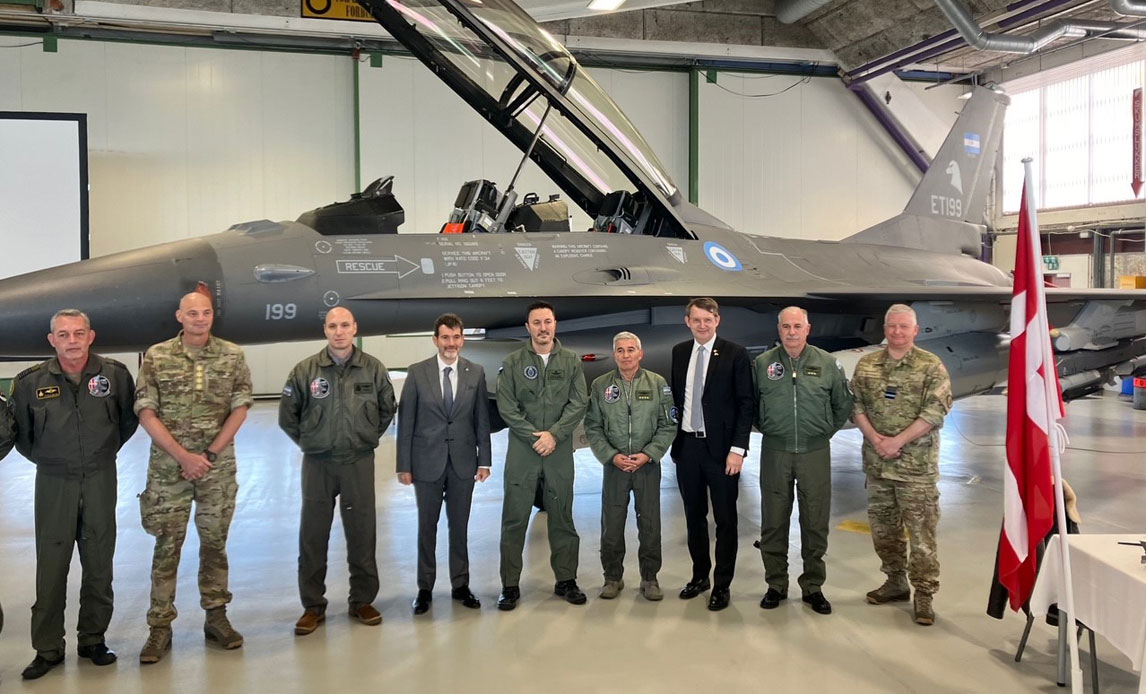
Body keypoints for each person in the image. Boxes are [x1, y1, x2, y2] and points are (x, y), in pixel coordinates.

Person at [9, 309, 137, 680]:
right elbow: (24, 437)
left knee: (99, 561)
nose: (72, 341)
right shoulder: (31, 382)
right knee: (51, 565)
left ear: (90, 336)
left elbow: (127, 422)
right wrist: (53, 459)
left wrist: (100, 453)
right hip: (53, 481)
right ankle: (47, 649)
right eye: (63, 335)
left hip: (100, 476)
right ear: (52, 340)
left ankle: (93, 640)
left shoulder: (114, 375)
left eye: (79, 333)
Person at [134, 290, 253, 662]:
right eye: (192, 313)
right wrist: (183, 455)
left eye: (205, 312)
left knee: (214, 543)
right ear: (179, 316)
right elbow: (146, 410)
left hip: (216, 469)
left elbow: (240, 407)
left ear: (212, 315)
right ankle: (159, 627)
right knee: (167, 546)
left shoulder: (232, 355)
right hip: (169, 469)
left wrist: (209, 454)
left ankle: (216, 617)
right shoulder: (157, 356)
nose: (199, 318)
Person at [279, 306, 396, 634]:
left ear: (355, 328)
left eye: (345, 325)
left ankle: (362, 600)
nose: (339, 331)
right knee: (313, 535)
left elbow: (387, 408)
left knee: (362, 531)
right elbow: (288, 415)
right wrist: (312, 441)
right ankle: (312, 606)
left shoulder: (372, 369)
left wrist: (366, 435)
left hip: (358, 461)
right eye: (333, 325)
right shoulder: (305, 370)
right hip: (318, 463)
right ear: (325, 330)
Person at [851, 304, 952, 626]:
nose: (897, 332)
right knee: (884, 531)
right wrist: (876, 439)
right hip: (878, 466)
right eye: (892, 326)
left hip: (915, 469)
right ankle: (895, 582)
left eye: (903, 327)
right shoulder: (867, 365)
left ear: (915, 330)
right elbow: (855, 405)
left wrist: (897, 441)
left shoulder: (930, 365)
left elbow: (936, 411)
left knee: (922, 535)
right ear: (885, 328)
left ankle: (924, 594)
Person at [753, 306, 852, 615]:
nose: (791, 332)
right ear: (779, 330)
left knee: (815, 521)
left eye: (797, 326)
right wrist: (772, 428)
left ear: (808, 329)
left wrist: (820, 433)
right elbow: (752, 407)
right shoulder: (761, 365)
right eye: (786, 326)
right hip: (776, 452)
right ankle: (776, 585)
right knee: (773, 521)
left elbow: (842, 405)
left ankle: (813, 587)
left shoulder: (827, 364)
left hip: (815, 453)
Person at [495, 301, 588, 610]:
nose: (543, 328)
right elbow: (506, 406)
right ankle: (509, 585)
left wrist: (555, 435)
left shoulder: (572, 361)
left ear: (555, 324)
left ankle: (566, 580)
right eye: (537, 323)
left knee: (562, 516)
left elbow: (578, 403)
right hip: (524, 450)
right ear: (528, 328)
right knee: (515, 518)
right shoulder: (512, 363)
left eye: (547, 322)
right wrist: (533, 436)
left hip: (558, 450)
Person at [396, 313, 491, 615]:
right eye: (445, 337)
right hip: (426, 464)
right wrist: (404, 465)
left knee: (459, 526)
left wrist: (484, 460)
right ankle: (425, 589)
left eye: (456, 337)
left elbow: (481, 421)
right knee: (427, 526)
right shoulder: (417, 373)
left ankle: (460, 584)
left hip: (463, 464)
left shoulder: (475, 372)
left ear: (462, 340)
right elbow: (406, 421)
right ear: (436, 340)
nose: (451, 343)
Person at [670, 297, 754, 611]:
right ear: (687, 321)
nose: (702, 325)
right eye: (696, 320)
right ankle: (700, 576)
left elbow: (746, 404)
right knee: (693, 518)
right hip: (688, 447)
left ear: (717, 320)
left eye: (708, 320)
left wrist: (737, 450)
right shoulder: (679, 353)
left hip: (721, 453)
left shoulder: (735, 354)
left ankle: (722, 584)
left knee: (725, 520)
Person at [583, 331, 676, 601]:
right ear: (615, 354)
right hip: (615, 467)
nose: (626, 355)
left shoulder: (657, 383)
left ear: (640, 353)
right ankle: (612, 578)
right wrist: (611, 456)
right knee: (611, 526)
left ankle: (650, 578)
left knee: (650, 525)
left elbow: (668, 423)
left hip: (647, 466)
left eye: (631, 349)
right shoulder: (601, 385)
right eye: (621, 350)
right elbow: (592, 425)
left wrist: (649, 454)